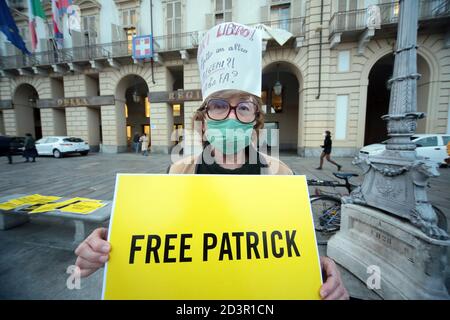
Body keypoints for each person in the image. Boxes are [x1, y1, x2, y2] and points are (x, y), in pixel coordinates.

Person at [74, 22, 349, 300]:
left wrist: (319, 268)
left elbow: (292, 248)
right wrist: (109, 248)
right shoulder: (178, 172)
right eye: (218, 105)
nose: (231, 116)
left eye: (243, 107)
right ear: (204, 121)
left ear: (255, 120)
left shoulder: (281, 175)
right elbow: (155, 242)